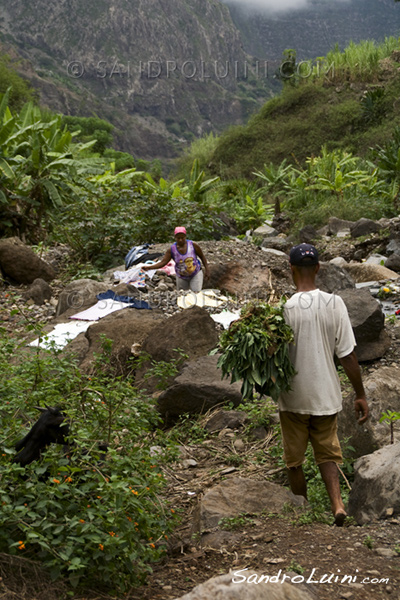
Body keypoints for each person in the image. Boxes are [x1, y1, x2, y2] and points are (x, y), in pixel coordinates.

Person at [279, 243, 369, 526]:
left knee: (294, 459)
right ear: (318, 268)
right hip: (325, 394)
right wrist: (360, 393)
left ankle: (303, 508)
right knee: (328, 453)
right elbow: (348, 354)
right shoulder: (335, 303)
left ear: (291, 270)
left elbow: (274, 358)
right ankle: (337, 505)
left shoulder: (284, 308)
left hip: (293, 398)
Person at [141, 227, 210, 292]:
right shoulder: (172, 249)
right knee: (182, 295)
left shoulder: (193, 245)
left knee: (196, 293)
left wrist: (207, 270)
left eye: (182, 238)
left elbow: (202, 257)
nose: (180, 240)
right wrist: (149, 267)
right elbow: (163, 262)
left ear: (185, 236)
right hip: (181, 276)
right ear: (175, 238)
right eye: (178, 238)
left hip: (195, 273)